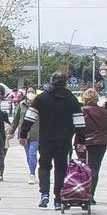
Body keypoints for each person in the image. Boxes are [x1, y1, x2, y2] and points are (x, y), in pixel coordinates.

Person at [32, 72, 80, 207]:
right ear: (65, 83)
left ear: (51, 82)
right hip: (64, 141)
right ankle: (58, 198)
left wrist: (23, 134)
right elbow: (79, 122)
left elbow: (30, 117)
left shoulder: (42, 98)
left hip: (46, 140)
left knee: (44, 166)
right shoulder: (72, 99)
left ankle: (44, 194)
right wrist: (80, 139)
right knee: (61, 169)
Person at [80, 88, 107, 181]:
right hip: (100, 143)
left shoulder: (81, 111)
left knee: (83, 168)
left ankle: (84, 190)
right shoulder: (104, 112)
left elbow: (77, 127)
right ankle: (91, 193)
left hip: (83, 142)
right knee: (95, 169)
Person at [16, 87, 40, 181]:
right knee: (28, 154)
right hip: (24, 134)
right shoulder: (21, 104)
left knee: (32, 153)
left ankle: (32, 174)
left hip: (36, 133)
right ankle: (31, 170)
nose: (30, 93)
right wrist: (11, 131)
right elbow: (16, 119)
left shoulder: (39, 104)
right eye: (29, 92)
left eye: (32, 92)